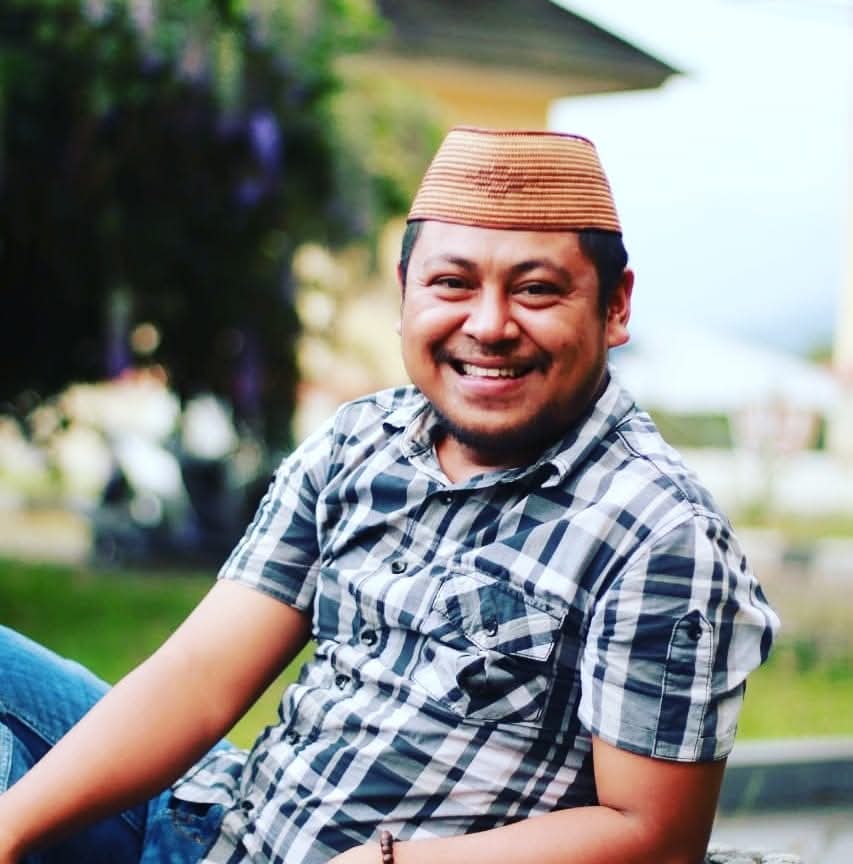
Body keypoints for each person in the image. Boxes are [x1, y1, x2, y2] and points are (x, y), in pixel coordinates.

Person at [0, 127, 779, 864]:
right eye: (452, 283)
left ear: (614, 306)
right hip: (211, 824)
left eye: (537, 290)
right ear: (406, 292)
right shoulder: (359, 441)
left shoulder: (656, 531)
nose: (489, 325)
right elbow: (199, 679)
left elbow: (652, 835)